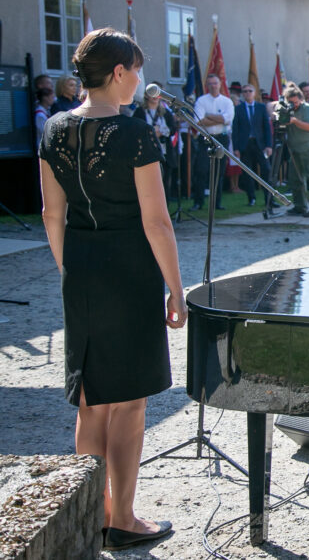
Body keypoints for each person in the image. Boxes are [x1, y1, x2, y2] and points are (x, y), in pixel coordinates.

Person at [38, 28, 185, 551]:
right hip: (129, 271)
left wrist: (69, 270)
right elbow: (157, 222)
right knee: (128, 404)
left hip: (80, 267)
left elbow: (51, 214)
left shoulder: (53, 128)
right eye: (137, 70)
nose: (140, 79)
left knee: (91, 401)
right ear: (119, 73)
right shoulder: (134, 132)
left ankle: (89, 516)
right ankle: (121, 517)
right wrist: (177, 289)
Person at [190, 74, 234, 211]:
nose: (213, 86)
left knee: (219, 172)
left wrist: (209, 116)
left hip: (221, 137)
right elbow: (199, 121)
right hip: (206, 138)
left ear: (220, 84)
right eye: (210, 84)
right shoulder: (202, 101)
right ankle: (198, 202)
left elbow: (228, 119)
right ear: (207, 86)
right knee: (201, 170)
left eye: (215, 83)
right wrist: (218, 118)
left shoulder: (227, 101)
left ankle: (216, 203)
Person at [281, 83, 309, 218]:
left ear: (300, 99)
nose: (292, 105)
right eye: (289, 102)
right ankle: (300, 206)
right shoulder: (286, 109)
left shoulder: (307, 108)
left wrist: (294, 121)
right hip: (295, 150)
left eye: (294, 102)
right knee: (295, 180)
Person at [133, 84, 178, 200]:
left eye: (157, 93)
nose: (154, 96)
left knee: (164, 185)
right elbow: (136, 129)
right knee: (148, 186)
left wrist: (162, 132)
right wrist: (152, 133)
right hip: (147, 153)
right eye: (151, 93)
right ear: (146, 95)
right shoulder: (140, 112)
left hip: (164, 153)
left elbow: (173, 129)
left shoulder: (166, 113)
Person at [231, 83, 272, 207]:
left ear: (254, 93)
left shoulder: (261, 107)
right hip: (245, 144)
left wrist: (269, 145)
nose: (247, 93)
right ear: (242, 94)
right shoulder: (238, 108)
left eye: (250, 91)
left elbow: (266, 128)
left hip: (260, 144)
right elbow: (235, 129)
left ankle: (269, 199)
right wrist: (236, 148)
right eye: (245, 91)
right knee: (247, 172)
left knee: (266, 170)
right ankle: (251, 198)